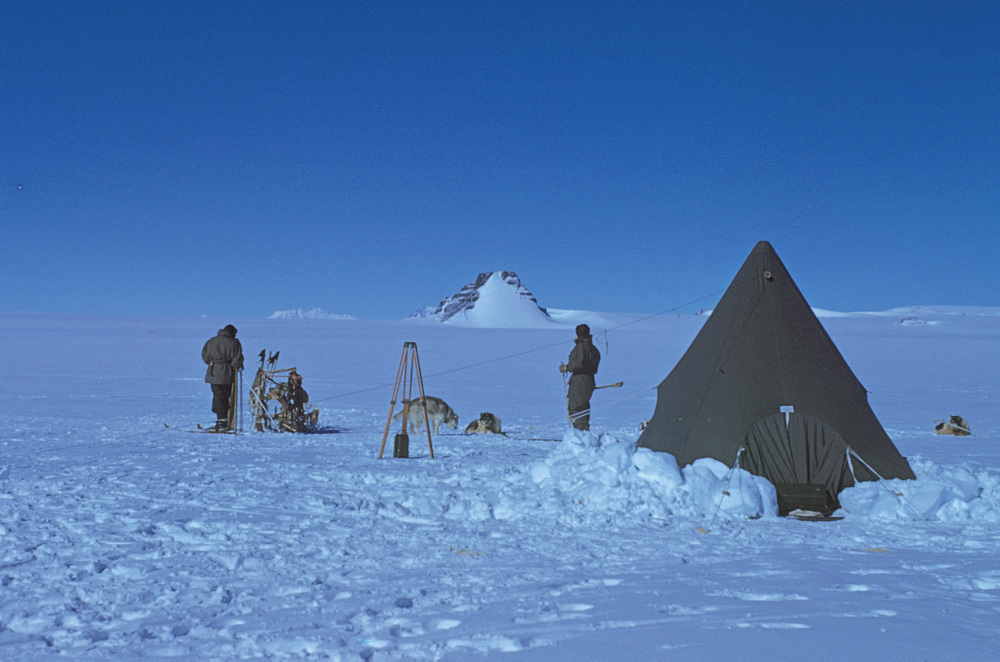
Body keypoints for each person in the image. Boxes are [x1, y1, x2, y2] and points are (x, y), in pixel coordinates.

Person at [202, 324, 244, 431]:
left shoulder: (211, 341)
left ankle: (221, 419)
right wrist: (237, 366)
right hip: (227, 373)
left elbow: (204, 355)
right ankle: (223, 422)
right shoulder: (234, 343)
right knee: (225, 397)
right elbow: (237, 358)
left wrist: (210, 362)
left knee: (218, 395)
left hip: (213, 372)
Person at [559, 324, 601, 431]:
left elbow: (579, 364)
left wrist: (566, 367)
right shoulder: (593, 348)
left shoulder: (581, 347)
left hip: (580, 380)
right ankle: (583, 433)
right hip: (589, 380)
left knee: (576, 408)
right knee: (584, 407)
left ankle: (581, 434)